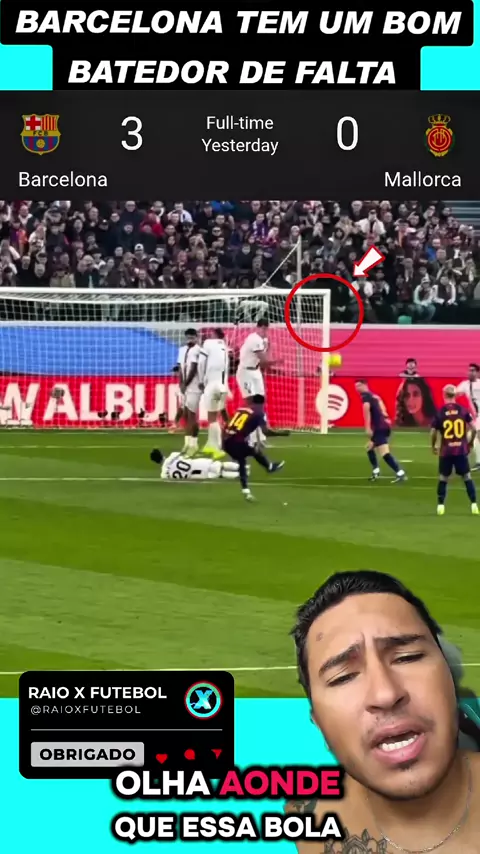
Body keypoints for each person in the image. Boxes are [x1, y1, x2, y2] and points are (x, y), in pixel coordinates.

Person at [286, 569, 480, 853]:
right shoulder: (308, 818)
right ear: (319, 724)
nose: (386, 694)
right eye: (343, 677)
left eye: (408, 657)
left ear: (450, 680)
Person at [223, 395, 284, 501]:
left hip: (226, 440)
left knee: (249, 454)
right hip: (237, 442)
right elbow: (266, 432)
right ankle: (268, 468)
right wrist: (281, 434)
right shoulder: (259, 413)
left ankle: (247, 490)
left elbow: (228, 423)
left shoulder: (241, 409)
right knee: (248, 455)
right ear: (262, 404)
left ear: (252, 402)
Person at [431, 384, 478, 515]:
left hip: (446, 451)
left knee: (443, 478)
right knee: (467, 477)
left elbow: (433, 432)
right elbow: (474, 429)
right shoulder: (463, 410)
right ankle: (474, 505)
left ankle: (440, 506)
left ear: (444, 395)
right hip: (460, 450)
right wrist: (470, 443)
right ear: (455, 395)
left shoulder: (440, 412)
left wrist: (433, 445)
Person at [355, 380, 406, 483]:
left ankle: (400, 473)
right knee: (369, 448)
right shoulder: (374, 396)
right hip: (384, 426)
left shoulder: (366, 396)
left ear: (365, 385)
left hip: (379, 427)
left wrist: (367, 427)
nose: (357, 388)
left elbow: (366, 408)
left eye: (359, 385)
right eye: (356, 386)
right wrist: (386, 417)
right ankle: (376, 471)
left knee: (385, 453)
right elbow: (382, 407)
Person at [236, 318, 276, 448]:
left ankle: (261, 438)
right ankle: (250, 438)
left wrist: (269, 348)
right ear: (257, 328)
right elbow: (264, 361)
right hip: (245, 372)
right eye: (262, 328)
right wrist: (277, 362)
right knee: (251, 404)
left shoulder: (264, 340)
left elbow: (264, 362)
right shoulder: (253, 339)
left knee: (260, 404)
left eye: (266, 328)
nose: (264, 331)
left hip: (256, 372)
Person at [198, 328, 230, 459]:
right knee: (215, 415)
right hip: (223, 386)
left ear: (214, 335)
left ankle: (218, 447)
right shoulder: (224, 347)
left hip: (212, 384)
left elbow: (201, 363)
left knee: (212, 419)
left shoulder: (208, 344)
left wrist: (201, 380)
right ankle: (210, 444)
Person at [177, 328, 201, 456]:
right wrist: (181, 383)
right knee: (185, 414)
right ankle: (187, 443)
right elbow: (181, 368)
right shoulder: (182, 350)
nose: (190, 339)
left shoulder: (198, 350)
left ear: (196, 337)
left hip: (194, 386)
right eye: (188, 337)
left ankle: (194, 444)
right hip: (185, 386)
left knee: (192, 415)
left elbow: (193, 368)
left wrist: (185, 384)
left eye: (192, 337)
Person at [150, 449, 241, 481]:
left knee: (221, 474)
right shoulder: (173, 455)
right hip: (199, 463)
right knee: (221, 465)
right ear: (162, 454)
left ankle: (239, 475)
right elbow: (184, 454)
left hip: (198, 475)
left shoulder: (163, 475)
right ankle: (242, 468)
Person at [456, 363, 480, 471]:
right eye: (469, 370)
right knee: (469, 437)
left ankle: (478, 462)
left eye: (473, 370)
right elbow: (454, 393)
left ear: (478, 373)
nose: (470, 372)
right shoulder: (465, 384)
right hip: (476, 416)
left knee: (476, 436)